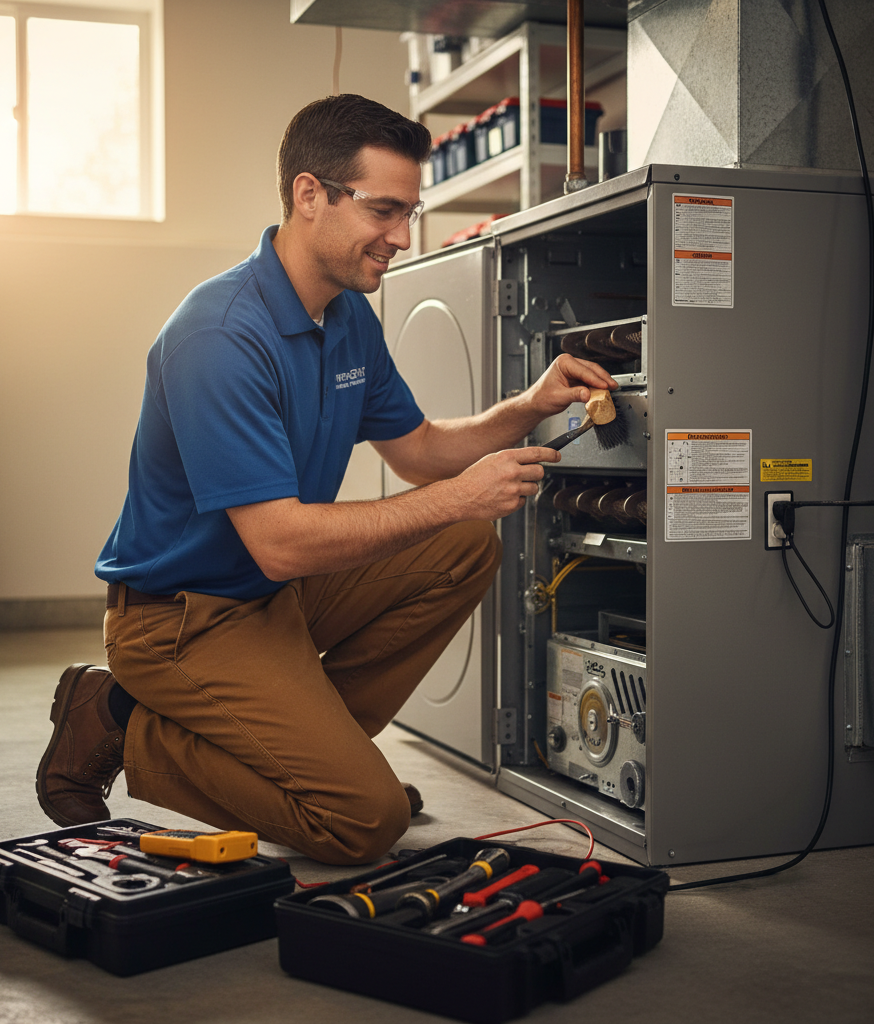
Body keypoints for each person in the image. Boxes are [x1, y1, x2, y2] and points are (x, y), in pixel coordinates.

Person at [35, 94, 616, 865]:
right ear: (310, 195)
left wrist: (530, 404)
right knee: (362, 825)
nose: (402, 238)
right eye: (384, 210)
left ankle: (325, 766)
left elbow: (418, 450)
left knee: (464, 542)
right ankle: (114, 714)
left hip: (271, 599)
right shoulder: (218, 336)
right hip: (181, 619)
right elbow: (279, 543)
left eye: (410, 213)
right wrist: (457, 493)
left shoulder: (344, 316)